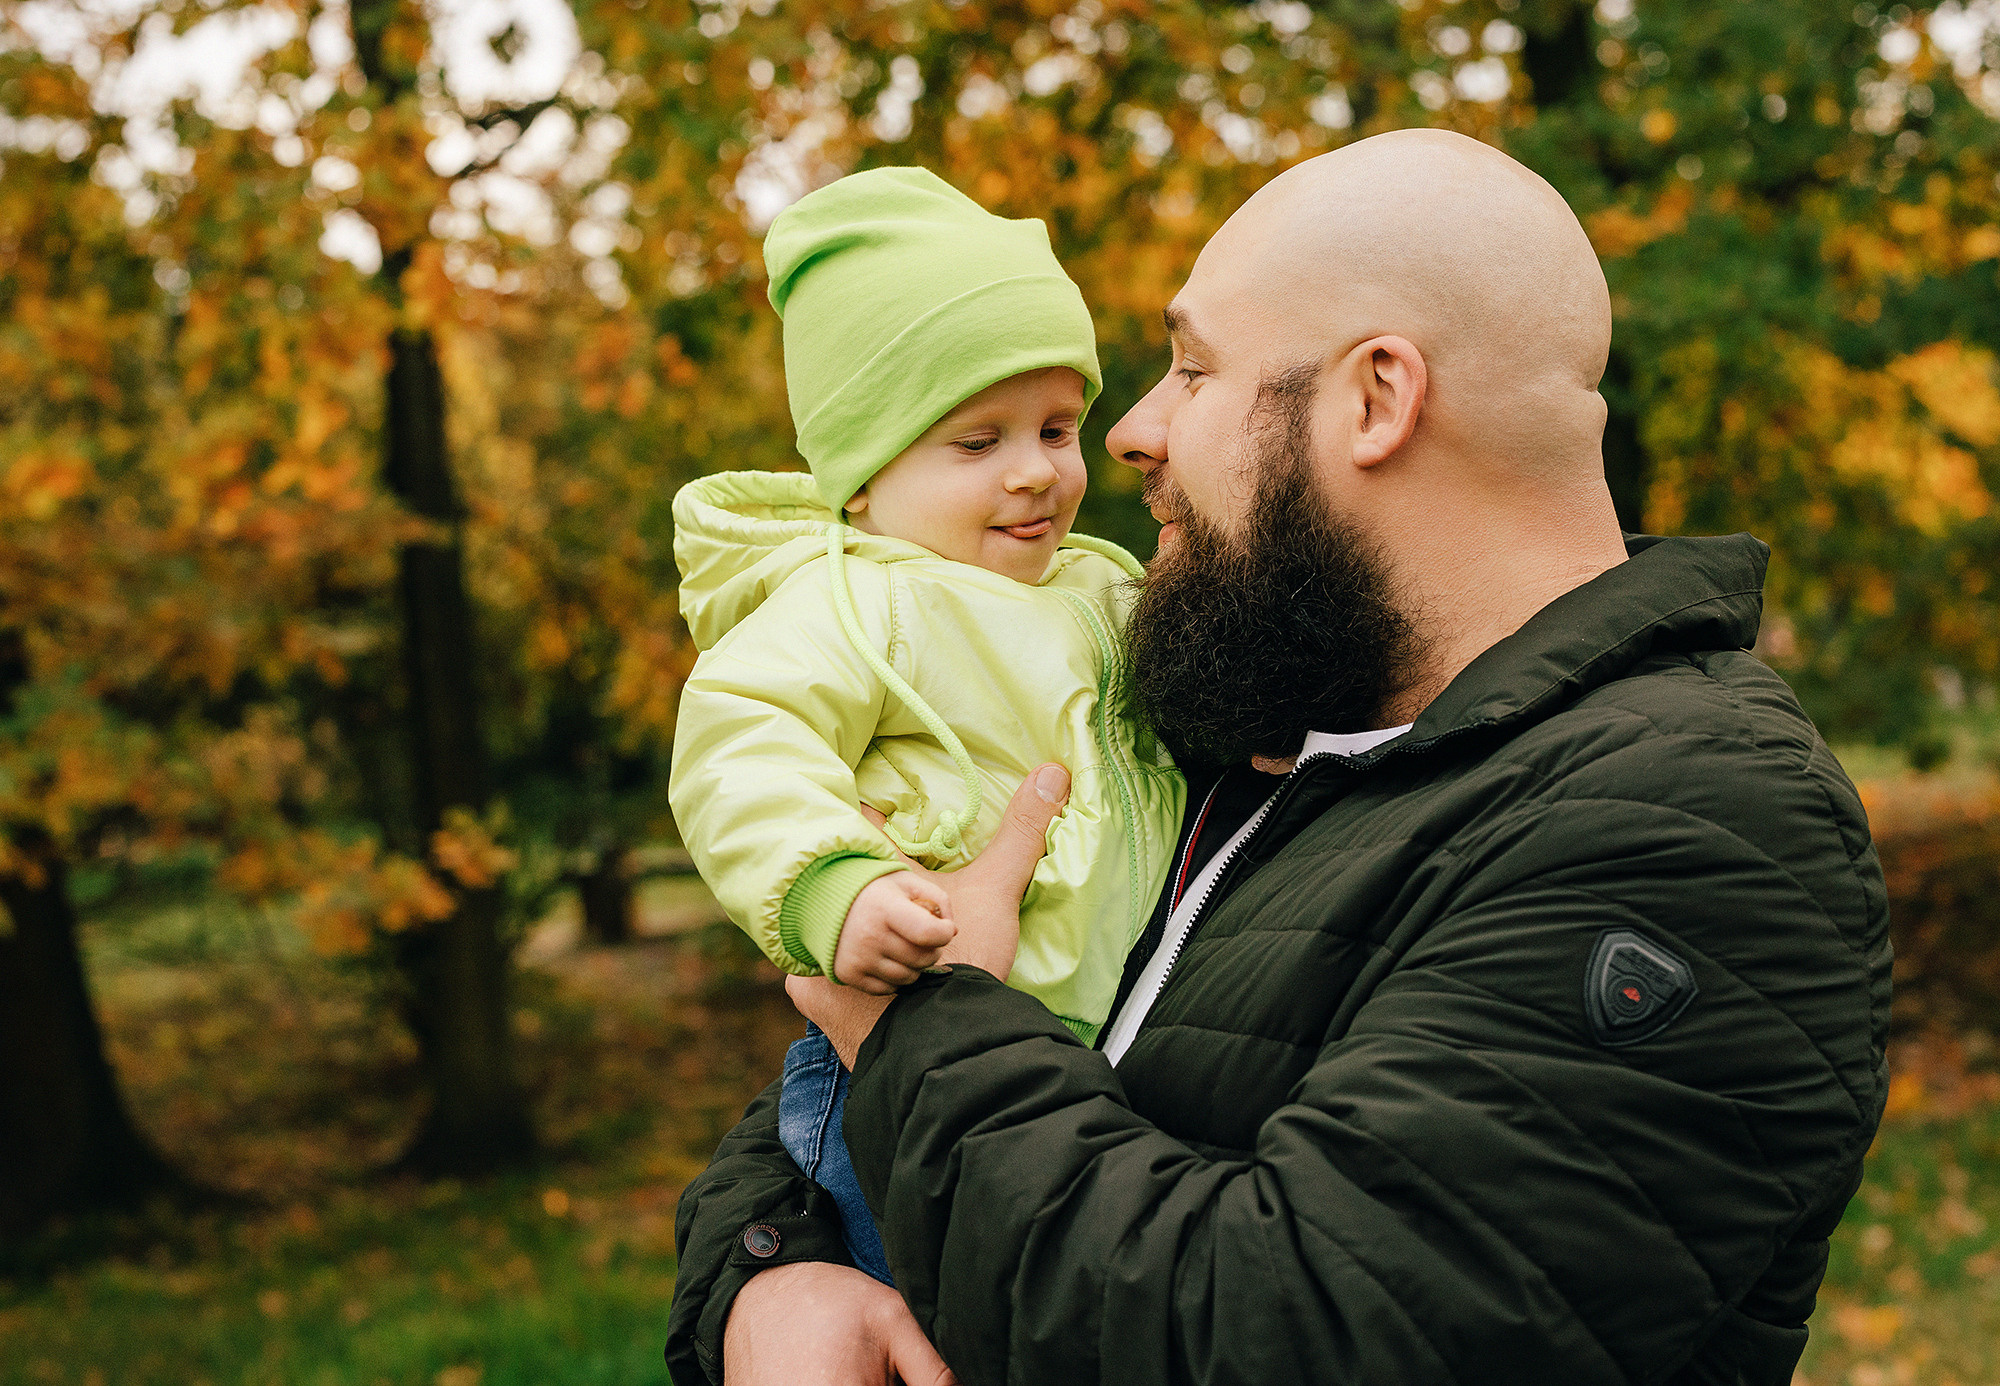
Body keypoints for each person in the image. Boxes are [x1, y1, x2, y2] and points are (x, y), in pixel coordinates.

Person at [666, 130, 1891, 1386]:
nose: (1129, 431)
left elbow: (1293, 1333)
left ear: (1375, 399)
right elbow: (870, 1067)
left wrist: (916, 1025)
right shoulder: (1270, 733)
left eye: (1193, 369)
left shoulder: (1690, 822)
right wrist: (764, 1276)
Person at [667, 167, 1184, 1284]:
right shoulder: (858, 602)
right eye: (976, 443)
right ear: (862, 478)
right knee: (921, 1304)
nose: (1034, 471)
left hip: (1093, 1052)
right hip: (909, 1058)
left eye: (1056, 427)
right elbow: (741, 737)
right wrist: (837, 889)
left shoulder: (1100, 590)